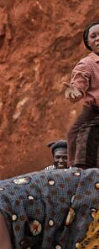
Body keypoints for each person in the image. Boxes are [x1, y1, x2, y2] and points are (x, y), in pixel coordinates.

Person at [64, 21, 99, 169]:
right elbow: (78, 85)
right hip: (94, 115)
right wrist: (75, 92)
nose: (98, 38)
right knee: (76, 134)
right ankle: (76, 175)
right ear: (88, 43)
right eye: (93, 36)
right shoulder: (86, 64)